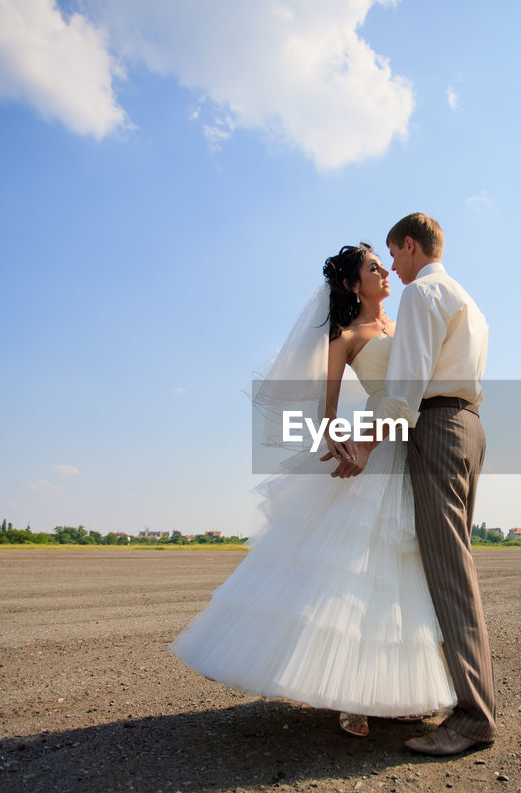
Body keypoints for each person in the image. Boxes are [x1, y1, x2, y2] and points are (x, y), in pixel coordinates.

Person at [169, 242, 456, 738]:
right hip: (371, 452)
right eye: (373, 268)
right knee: (354, 571)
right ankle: (349, 694)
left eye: (384, 264)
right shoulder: (344, 338)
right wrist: (338, 438)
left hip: (410, 447)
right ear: (351, 285)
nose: (385, 271)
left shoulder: (407, 325)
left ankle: (394, 689)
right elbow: (323, 414)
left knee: (401, 571)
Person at [333, 213, 495, 757]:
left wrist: (366, 443)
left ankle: (473, 716)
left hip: (437, 428)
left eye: (393, 257)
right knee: (451, 569)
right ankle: (462, 701)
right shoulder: (464, 298)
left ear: (409, 246)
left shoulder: (421, 295)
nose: (393, 268)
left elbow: (404, 392)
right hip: (469, 425)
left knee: (450, 575)